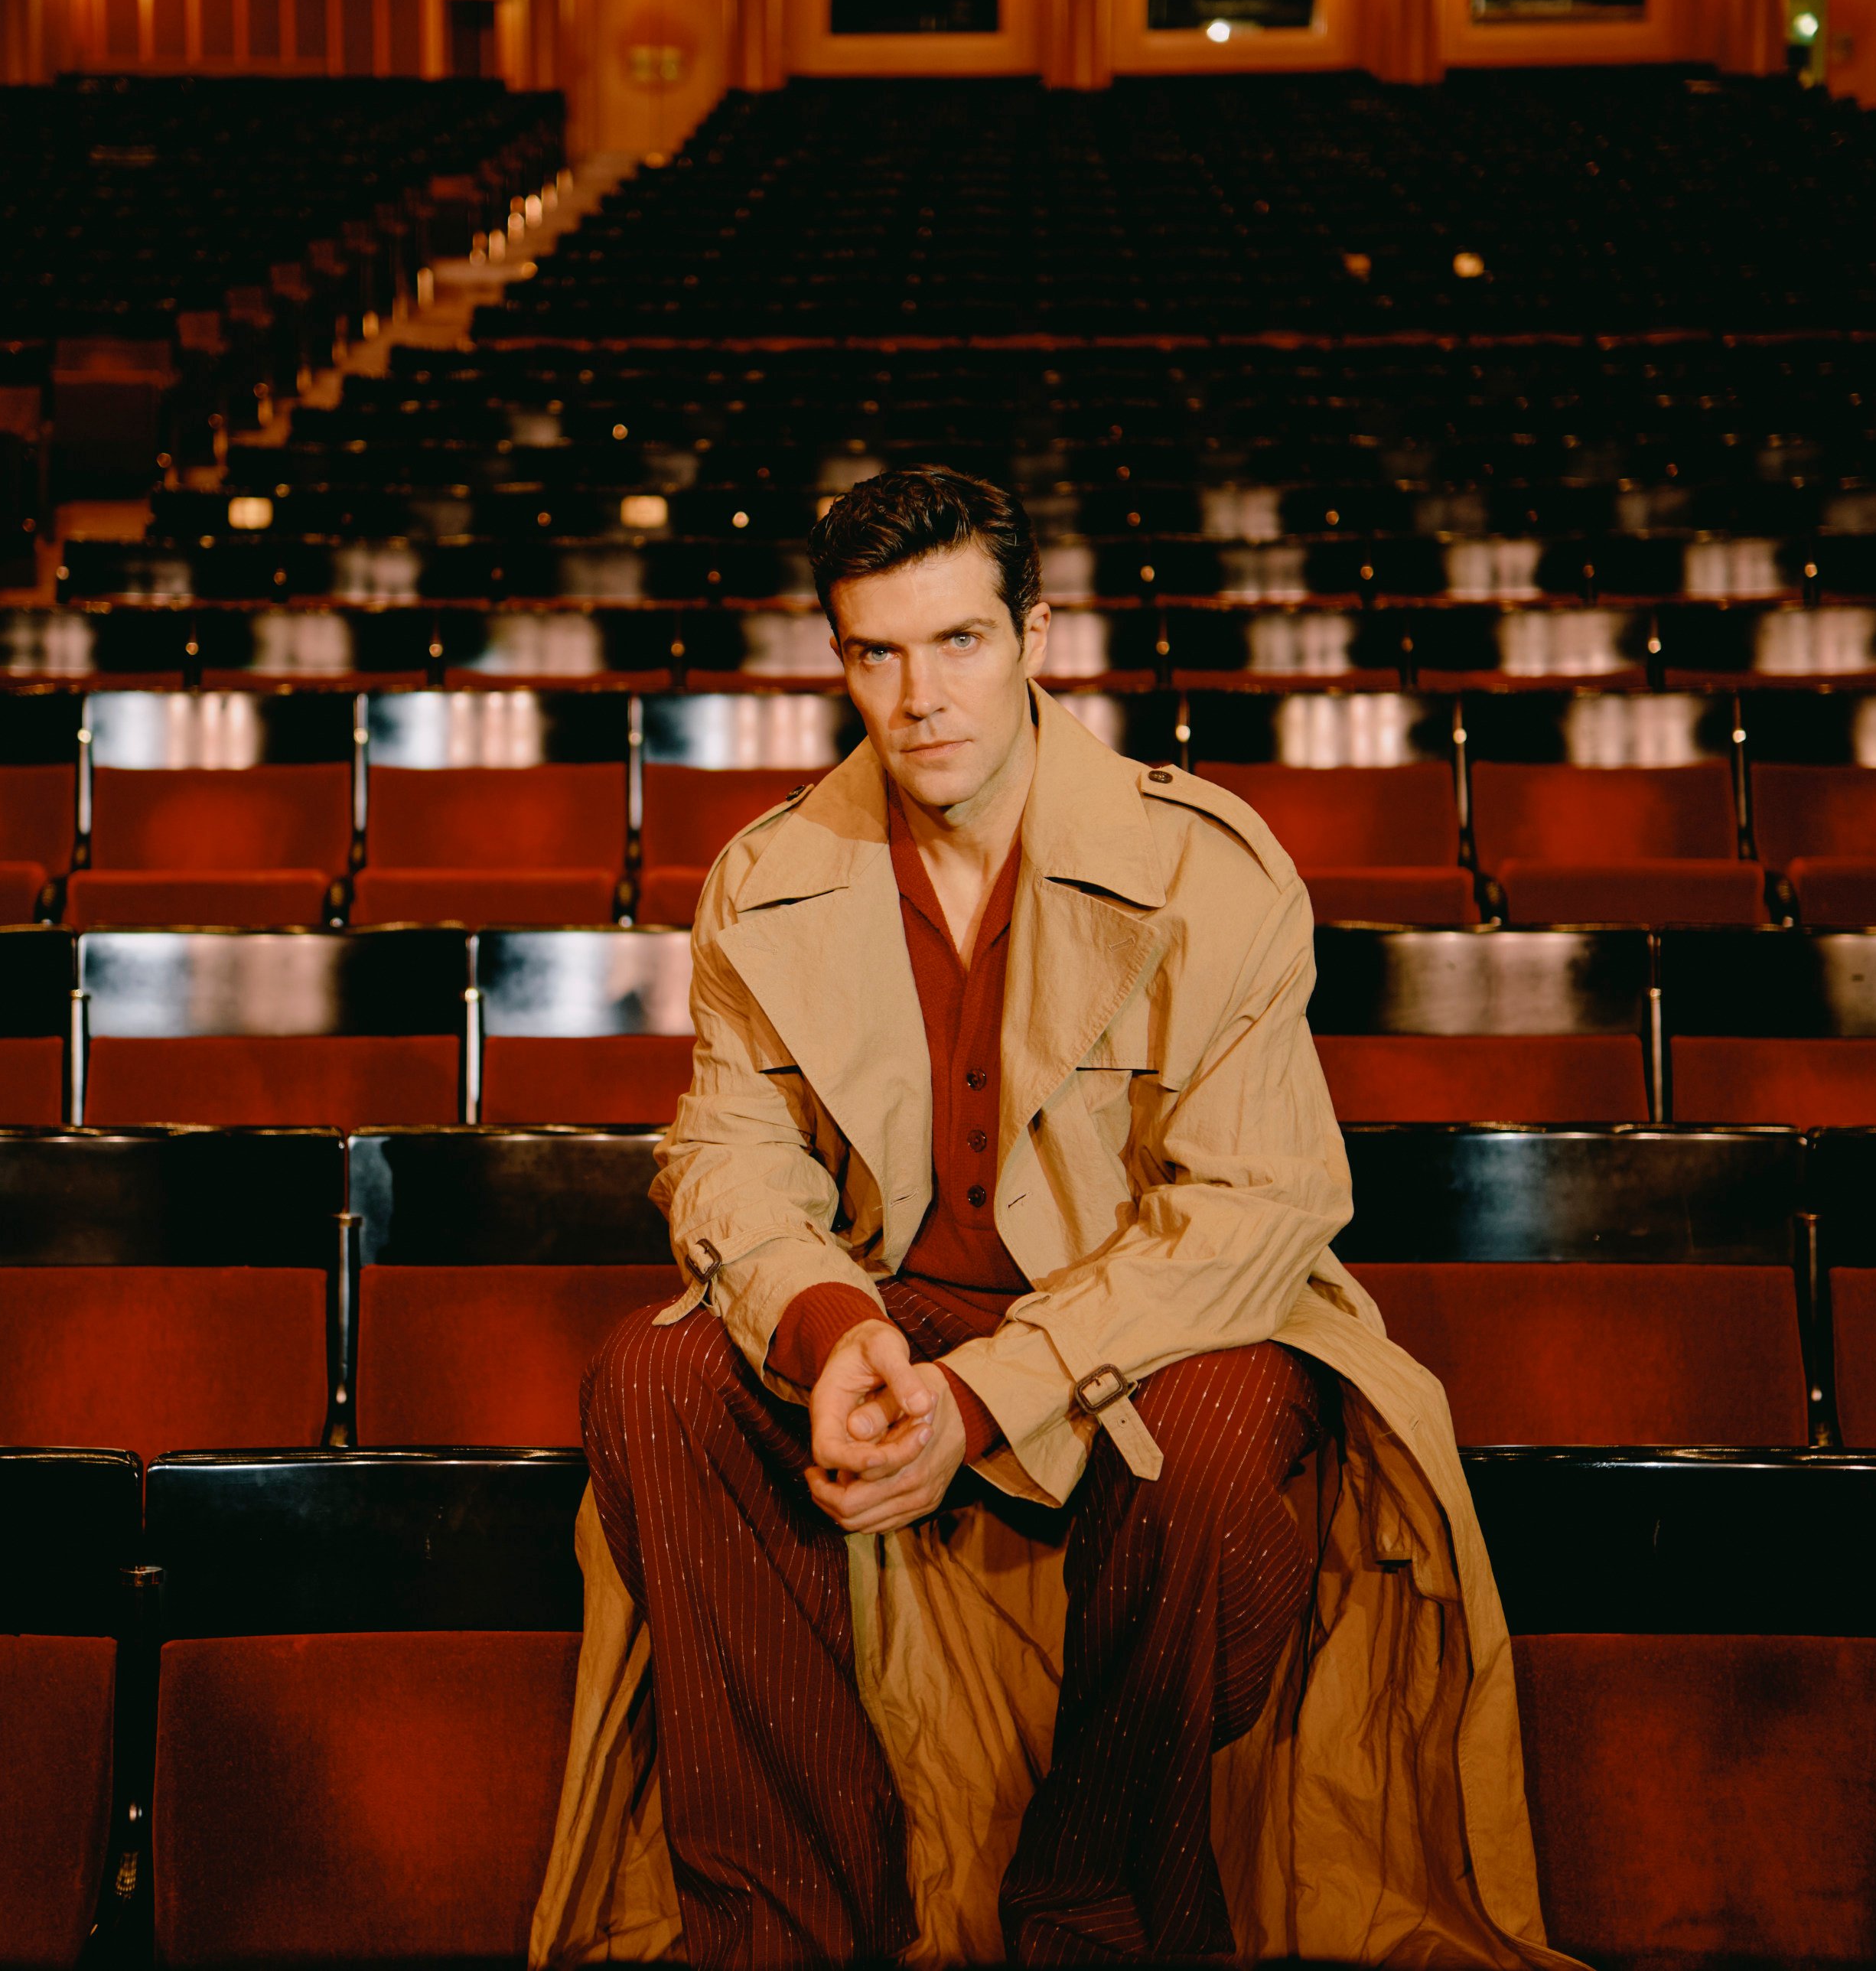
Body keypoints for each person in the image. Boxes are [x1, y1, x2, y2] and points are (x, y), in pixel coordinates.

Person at [533, 467, 1573, 1971]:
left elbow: (1252, 1213)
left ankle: (1088, 1914)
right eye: (874, 653)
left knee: (1214, 1438)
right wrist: (828, 1331)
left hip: (1158, 1321)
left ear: (1034, 634)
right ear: (837, 660)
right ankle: (774, 1929)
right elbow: (728, 1163)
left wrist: (982, 1396)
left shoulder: (1202, 868)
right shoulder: (764, 882)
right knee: (659, 1374)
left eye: (956, 642)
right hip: (900, 1306)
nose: (919, 696)